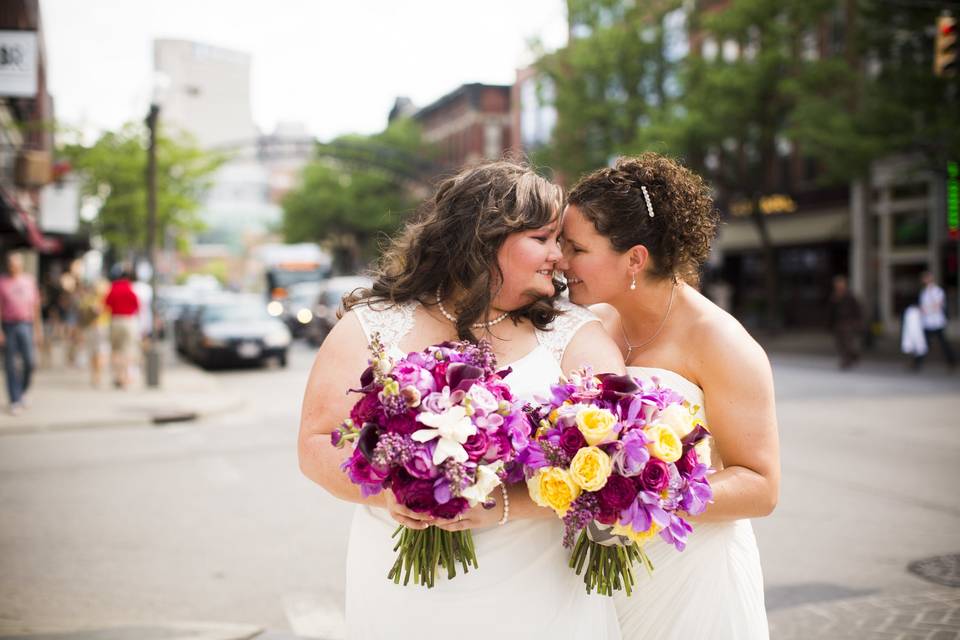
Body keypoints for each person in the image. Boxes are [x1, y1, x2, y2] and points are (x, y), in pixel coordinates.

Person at [298, 161, 625, 640]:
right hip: (404, 590)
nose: (559, 256)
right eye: (542, 238)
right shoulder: (374, 325)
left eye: (560, 241)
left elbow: (614, 460)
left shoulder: (573, 333)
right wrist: (398, 490)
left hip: (537, 590)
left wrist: (505, 504)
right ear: (484, 238)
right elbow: (317, 442)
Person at [558, 153, 777, 639]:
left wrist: (647, 492)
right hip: (603, 572)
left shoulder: (721, 342)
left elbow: (761, 486)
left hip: (691, 573)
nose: (560, 261)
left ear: (634, 258)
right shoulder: (596, 326)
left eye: (576, 248)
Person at [0, 253, 43, 415]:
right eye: (10, 263)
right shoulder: (2, 282)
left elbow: (36, 307)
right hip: (9, 325)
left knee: (30, 363)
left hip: (26, 324)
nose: (13, 266)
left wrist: (38, 331)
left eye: (16, 263)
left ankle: (22, 391)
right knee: (10, 365)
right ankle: (15, 399)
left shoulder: (29, 281)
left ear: (21, 264)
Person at [104, 269, 140, 389]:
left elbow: (106, 303)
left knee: (115, 350)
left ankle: (117, 376)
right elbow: (137, 306)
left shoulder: (113, 287)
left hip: (115, 320)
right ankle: (125, 377)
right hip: (128, 321)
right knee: (127, 350)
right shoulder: (130, 288)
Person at [917, 270, 955, 370]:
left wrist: (926, 309)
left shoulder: (938, 291)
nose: (924, 280)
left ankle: (952, 361)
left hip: (937, 322)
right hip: (927, 322)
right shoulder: (923, 292)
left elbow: (938, 305)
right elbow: (922, 306)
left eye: (925, 278)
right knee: (924, 343)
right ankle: (917, 363)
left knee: (943, 343)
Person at [828, 275, 863, 370]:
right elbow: (831, 312)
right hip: (838, 323)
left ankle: (847, 360)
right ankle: (849, 357)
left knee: (848, 343)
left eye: (841, 285)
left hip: (849, 323)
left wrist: (858, 323)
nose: (839, 287)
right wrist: (829, 324)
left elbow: (858, 310)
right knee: (839, 343)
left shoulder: (850, 297)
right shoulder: (834, 297)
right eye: (837, 285)